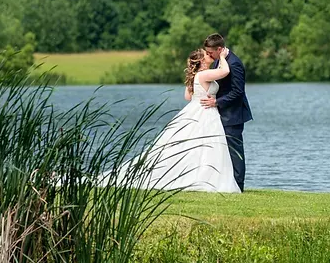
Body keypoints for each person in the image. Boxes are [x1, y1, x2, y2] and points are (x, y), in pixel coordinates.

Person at [99, 48, 241, 193]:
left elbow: (187, 96)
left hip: (196, 108)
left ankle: (198, 174)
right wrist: (223, 57)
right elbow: (225, 71)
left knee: (197, 144)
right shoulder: (204, 74)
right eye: (206, 54)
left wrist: (204, 95)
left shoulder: (196, 76)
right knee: (205, 145)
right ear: (201, 61)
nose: (209, 55)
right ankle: (203, 176)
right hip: (205, 111)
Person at [200, 33, 252, 192]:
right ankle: (224, 183)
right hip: (220, 114)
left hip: (233, 115)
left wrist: (216, 102)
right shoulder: (218, 62)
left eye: (210, 52)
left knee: (235, 151)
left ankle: (239, 186)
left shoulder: (235, 64)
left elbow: (237, 92)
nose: (209, 55)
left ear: (220, 49)